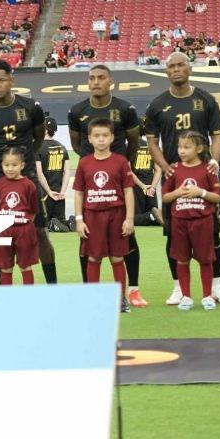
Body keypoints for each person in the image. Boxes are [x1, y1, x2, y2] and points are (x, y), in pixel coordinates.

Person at [144, 52, 220, 306]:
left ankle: (217, 286)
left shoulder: (206, 99)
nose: (176, 69)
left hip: (203, 175)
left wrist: (214, 161)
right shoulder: (157, 104)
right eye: (171, 66)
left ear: (189, 68)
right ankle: (178, 288)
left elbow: (217, 135)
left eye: (181, 65)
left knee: (212, 233)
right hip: (174, 178)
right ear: (166, 72)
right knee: (172, 234)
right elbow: (151, 141)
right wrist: (165, 167)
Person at [0, 61, 55, 284]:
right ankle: (5, 292)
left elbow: (37, 139)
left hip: (27, 179)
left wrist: (23, 162)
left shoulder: (30, 107)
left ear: (11, 80)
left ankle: (52, 286)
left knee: (40, 232)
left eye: (0, 80)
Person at [67, 64, 143, 306]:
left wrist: (118, 164)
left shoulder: (124, 109)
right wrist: (94, 163)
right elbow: (77, 145)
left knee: (127, 241)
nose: (96, 81)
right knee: (89, 246)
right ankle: (91, 292)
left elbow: (133, 142)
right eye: (92, 78)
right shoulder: (77, 110)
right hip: (92, 188)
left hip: (118, 180)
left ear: (111, 80)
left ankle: (132, 290)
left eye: (101, 77)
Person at [73, 119, 134, 308]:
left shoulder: (121, 162)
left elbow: (128, 191)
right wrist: (79, 220)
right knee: (94, 257)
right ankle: (94, 298)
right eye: (97, 136)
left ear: (112, 138)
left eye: (105, 135)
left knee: (117, 257)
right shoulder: (84, 163)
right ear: (90, 139)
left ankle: (120, 298)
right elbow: (79, 193)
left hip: (116, 214)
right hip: (92, 216)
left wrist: (129, 219)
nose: (101, 139)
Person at [160, 131, 220, 311]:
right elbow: (165, 197)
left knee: (205, 260)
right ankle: (186, 296)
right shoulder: (174, 170)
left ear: (199, 148)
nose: (182, 151)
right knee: (182, 260)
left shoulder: (208, 170)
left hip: (203, 222)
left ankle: (207, 296)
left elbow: (217, 197)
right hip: (179, 223)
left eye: (187, 147)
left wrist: (200, 192)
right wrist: (178, 192)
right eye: (180, 147)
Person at [0, 148, 39, 286]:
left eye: (14, 165)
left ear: (22, 165)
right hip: (3, 230)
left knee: (25, 266)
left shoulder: (29, 185)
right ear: (2, 165)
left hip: (24, 231)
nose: (10, 168)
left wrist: (24, 224)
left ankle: (28, 297)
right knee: (6, 267)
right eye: (6, 165)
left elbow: (33, 210)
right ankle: (8, 299)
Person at [36, 117, 69, 230]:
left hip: (45, 194)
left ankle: (53, 224)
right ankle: (68, 223)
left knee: (43, 224)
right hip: (59, 195)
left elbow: (39, 173)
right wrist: (62, 192)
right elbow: (66, 172)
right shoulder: (63, 147)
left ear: (45, 130)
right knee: (60, 221)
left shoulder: (38, 148)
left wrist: (49, 192)